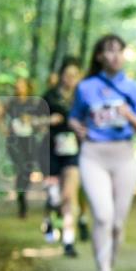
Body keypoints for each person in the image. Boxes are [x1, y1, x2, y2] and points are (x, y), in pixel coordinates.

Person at [69, 34, 136, 271]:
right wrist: (76, 126)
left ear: (125, 55)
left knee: (117, 223)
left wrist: (128, 114)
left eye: (119, 51)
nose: (114, 56)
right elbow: (74, 116)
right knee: (102, 216)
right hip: (93, 155)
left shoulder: (135, 89)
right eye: (108, 51)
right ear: (99, 56)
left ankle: (110, 268)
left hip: (124, 156)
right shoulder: (86, 87)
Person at [42, 56, 84, 257]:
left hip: (74, 152)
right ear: (61, 76)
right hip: (51, 151)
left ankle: (69, 240)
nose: (70, 79)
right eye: (67, 75)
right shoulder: (49, 97)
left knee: (69, 196)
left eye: (74, 75)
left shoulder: (82, 97)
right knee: (54, 196)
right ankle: (50, 219)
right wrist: (49, 120)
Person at [5, 77, 46, 219]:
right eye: (17, 85)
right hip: (14, 141)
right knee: (21, 167)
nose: (19, 87)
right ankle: (21, 199)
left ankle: (23, 194)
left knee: (27, 171)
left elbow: (41, 123)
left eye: (21, 85)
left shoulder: (34, 103)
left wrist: (31, 120)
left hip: (29, 141)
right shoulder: (11, 103)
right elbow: (1, 117)